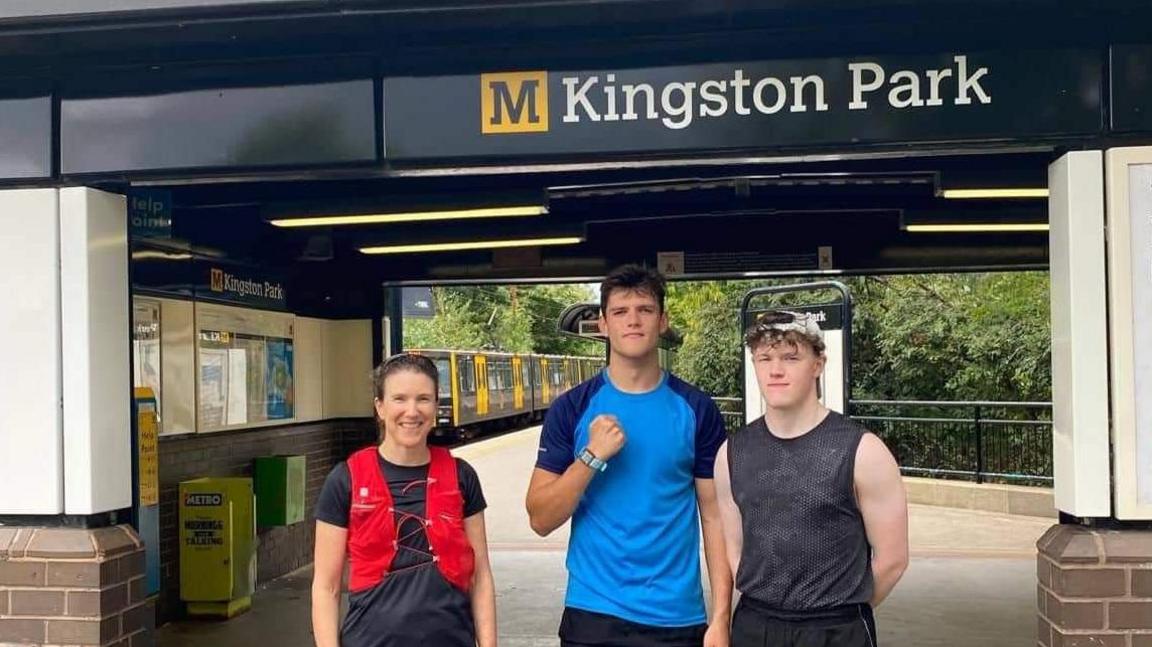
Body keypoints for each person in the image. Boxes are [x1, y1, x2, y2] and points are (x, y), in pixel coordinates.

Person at [525, 264, 732, 647]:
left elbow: (715, 516)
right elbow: (540, 518)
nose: (633, 321)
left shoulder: (697, 409)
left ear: (663, 321)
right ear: (603, 324)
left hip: (676, 617)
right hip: (593, 613)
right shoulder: (572, 408)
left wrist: (721, 617)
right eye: (620, 312)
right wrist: (590, 457)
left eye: (645, 310)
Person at [714, 310, 909, 647]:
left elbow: (893, 560)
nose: (775, 370)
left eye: (791, 357)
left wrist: (837, 613)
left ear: (818, 363)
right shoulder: (730, 454)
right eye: (765, 358)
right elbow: (734, 548)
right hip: (754, 626)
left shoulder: (863, 451)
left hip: (836, 629)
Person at [311, 353, 496, 647]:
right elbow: (326, 587)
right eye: (399, 399)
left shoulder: (462, 476)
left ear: (436, 406)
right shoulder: (345, 480)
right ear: (379, 407)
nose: (412, 411)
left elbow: (480, 574)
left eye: (423, 399)